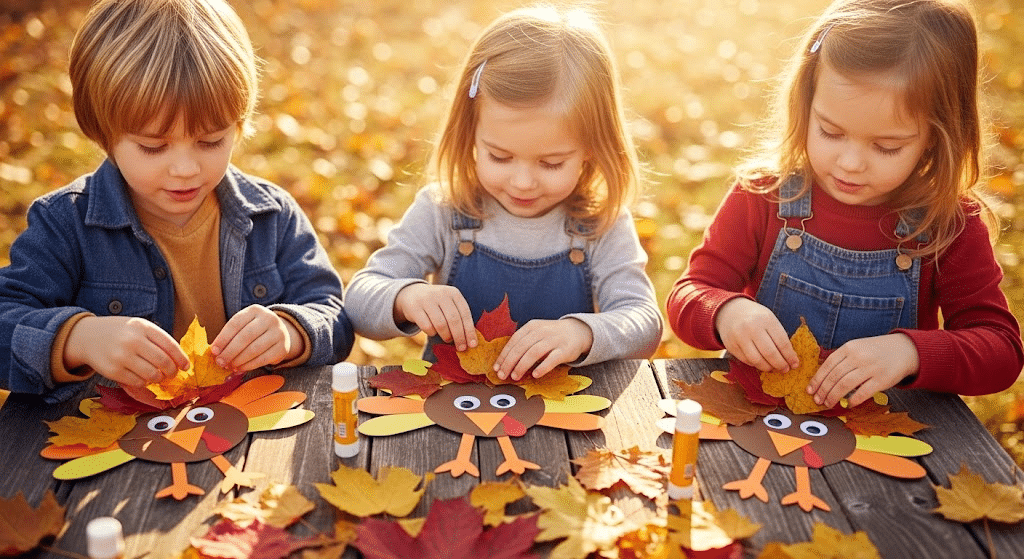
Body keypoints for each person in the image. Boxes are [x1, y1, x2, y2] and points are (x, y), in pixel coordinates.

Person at [667, 0, 1022, 408]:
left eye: (886, 146)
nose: (850, 163)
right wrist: (726, 312)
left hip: (889, 433)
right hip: (757, 415)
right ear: (806, 104)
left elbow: (1001, 350)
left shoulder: (948, 225)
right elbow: (689, 293)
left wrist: (909, 352)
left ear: (937, 137)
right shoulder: (764, 196)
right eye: (830, 132)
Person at [0, 0, 354, 402]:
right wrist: (79, 338)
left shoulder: (272, 217)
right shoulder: (65, 224)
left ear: (239, 125)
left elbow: (335, 318)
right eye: (153, 147)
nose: (186, 169)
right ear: (103, 133)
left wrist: (292, 331)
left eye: (211, 141)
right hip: (115, 434)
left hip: (250, 426)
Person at [346, 5, 662, 381]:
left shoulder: (601, 224)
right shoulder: (443, 211)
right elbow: (360, 300)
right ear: (471, 133)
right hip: (450, 402)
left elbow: (643, 323)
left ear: (591, 148)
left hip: (566, 409)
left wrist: (582, 333)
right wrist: (407, 297)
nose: (523, 182)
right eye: (500, 157)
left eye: (551, 163)